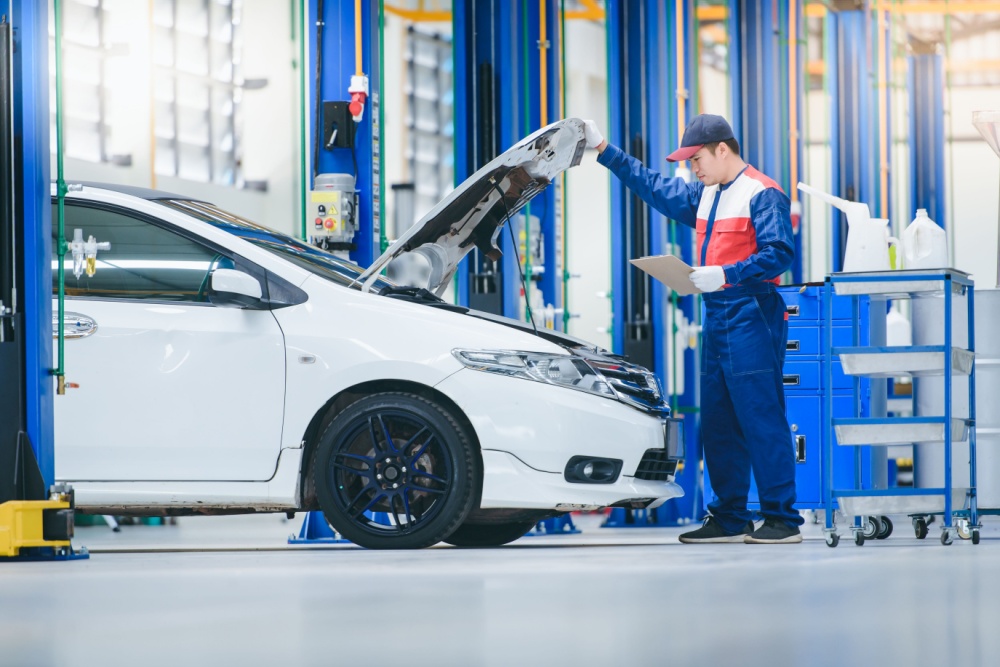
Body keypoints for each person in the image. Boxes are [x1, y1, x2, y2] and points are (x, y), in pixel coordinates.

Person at [584, 114, 804, 544]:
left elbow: (780, 252)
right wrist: (604, 150)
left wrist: (728, 274)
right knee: (719, 423)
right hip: (718, 316)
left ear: (723, 149)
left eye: (698, 158)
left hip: (751, 312)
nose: (693, 168)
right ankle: (730, 517)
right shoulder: (707, 194)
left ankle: (782, 519)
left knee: (760, 418)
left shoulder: (762, 192)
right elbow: (653, 186)